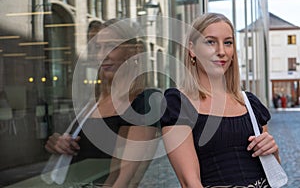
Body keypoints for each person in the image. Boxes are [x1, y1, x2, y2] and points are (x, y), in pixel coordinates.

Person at [160, 13, 281, 187]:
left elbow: (272, 171)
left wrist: (273, 152)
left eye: (228, 42)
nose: (221, 51)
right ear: (192, 49)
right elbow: (189, 182)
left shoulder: (249, 103)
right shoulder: (177, 104)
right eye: (210, 42)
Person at [45, 18, 160, 187]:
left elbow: (124, 176)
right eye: (98, 47)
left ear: (133, 52)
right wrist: (59, 144)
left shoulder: (145, 102)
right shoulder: (93, 102)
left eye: (111, 46)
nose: (101, 55)